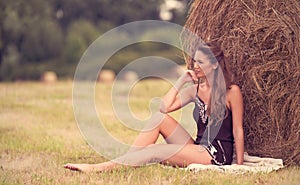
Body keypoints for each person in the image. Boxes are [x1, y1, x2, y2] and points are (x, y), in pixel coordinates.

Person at [64, 41, 244, 172]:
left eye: (201, 62)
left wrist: (240, 166)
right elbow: (163, 108)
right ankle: (127, 162)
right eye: (195, 61)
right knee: (159, 119)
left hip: (215, 154)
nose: (196, 66)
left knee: (153, 151)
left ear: (214, 65)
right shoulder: (194, 90)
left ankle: (98, 169)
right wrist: (181, 81)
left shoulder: (231, 92)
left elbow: (237, 131)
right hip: (197, 146)